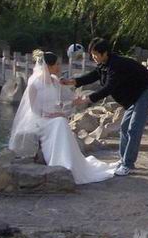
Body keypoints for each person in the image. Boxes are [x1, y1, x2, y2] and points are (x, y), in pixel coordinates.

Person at [8, 51, 116, 184]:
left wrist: (75, 102)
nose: (59, 66)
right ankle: (60, 163)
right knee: (59, 122)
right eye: (57, 64)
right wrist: (50, 115)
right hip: (40, 119)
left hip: (54, 117)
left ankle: (69, 163)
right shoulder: (34, 84)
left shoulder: (54, 80)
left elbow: (65, 99)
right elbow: (34, 109)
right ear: (48, 66)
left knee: (60, 121)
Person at [62, 38, 148, 177]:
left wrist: (87, 99)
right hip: (133, 96)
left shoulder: (116, 65)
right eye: (92, 54)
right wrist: (73, 81)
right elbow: (93, 75)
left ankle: (128, 164)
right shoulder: (104, 64)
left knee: (134, 129)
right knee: (124, 128)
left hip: (144, 92)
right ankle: (123, 160)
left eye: (95, 54)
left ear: (105, 53)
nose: (93, 57)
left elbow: (108, 88)